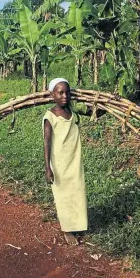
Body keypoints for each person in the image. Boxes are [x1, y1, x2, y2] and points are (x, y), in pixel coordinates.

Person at [42, 78, 88, 245]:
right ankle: (67, 229)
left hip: (74, 160)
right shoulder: (50, 117)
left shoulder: (73, 112)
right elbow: (46, 143)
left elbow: (94, 112)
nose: (64, 96)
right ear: (52, 94)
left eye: (67, 92)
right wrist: (48, 168)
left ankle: (78, 224)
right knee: (63, 196)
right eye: (60, 93)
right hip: (59, 164)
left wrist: (109, 104)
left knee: (77, 192)